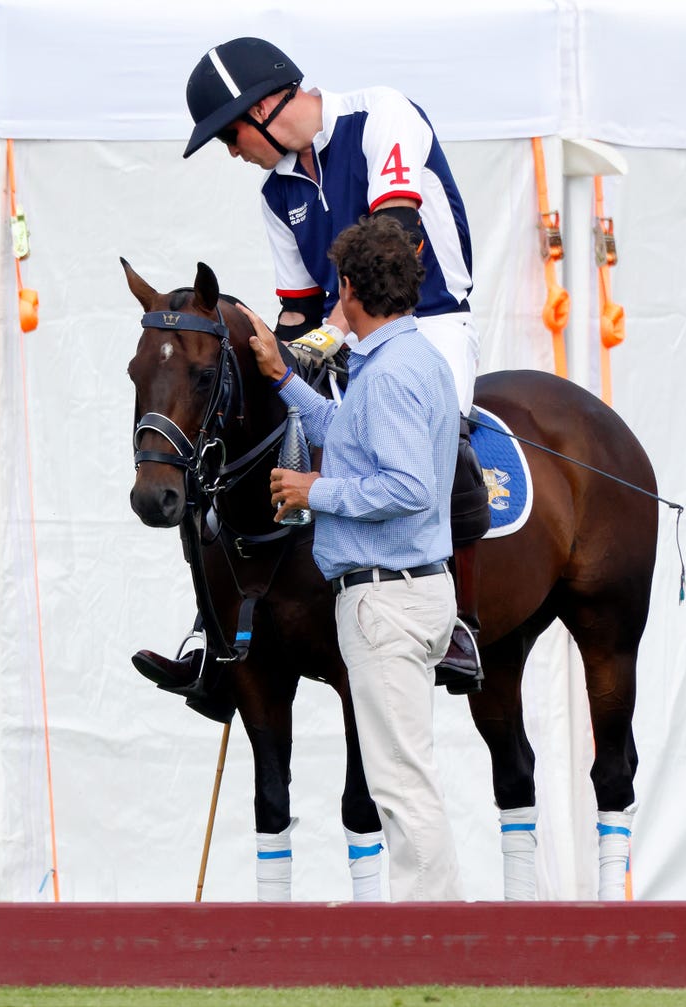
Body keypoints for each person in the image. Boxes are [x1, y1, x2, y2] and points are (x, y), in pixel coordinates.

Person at [133, 37, 488, 706]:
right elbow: (299, 309)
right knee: (234, 432)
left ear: (265, 106)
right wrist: (275, 355)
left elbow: (394, 253)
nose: (232, 152)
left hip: (429, 322)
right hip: (344, 333)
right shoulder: (276, 196)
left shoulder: (382, 114)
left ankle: (461, 622)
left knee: (450, 450)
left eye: (230, 134)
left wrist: (323, 338)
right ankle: (217, 631)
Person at [246, 215, 463, 900]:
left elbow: (408, 487)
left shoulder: (391, 374)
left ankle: (433, 938)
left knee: (400, 781)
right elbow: (348, 433)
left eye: (338, 293)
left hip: (386, 598)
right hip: (411, 590)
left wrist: (317, 488)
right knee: (407, 773)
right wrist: (285, 380)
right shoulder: (412, 359)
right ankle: (432, 928)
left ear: (350, 289)